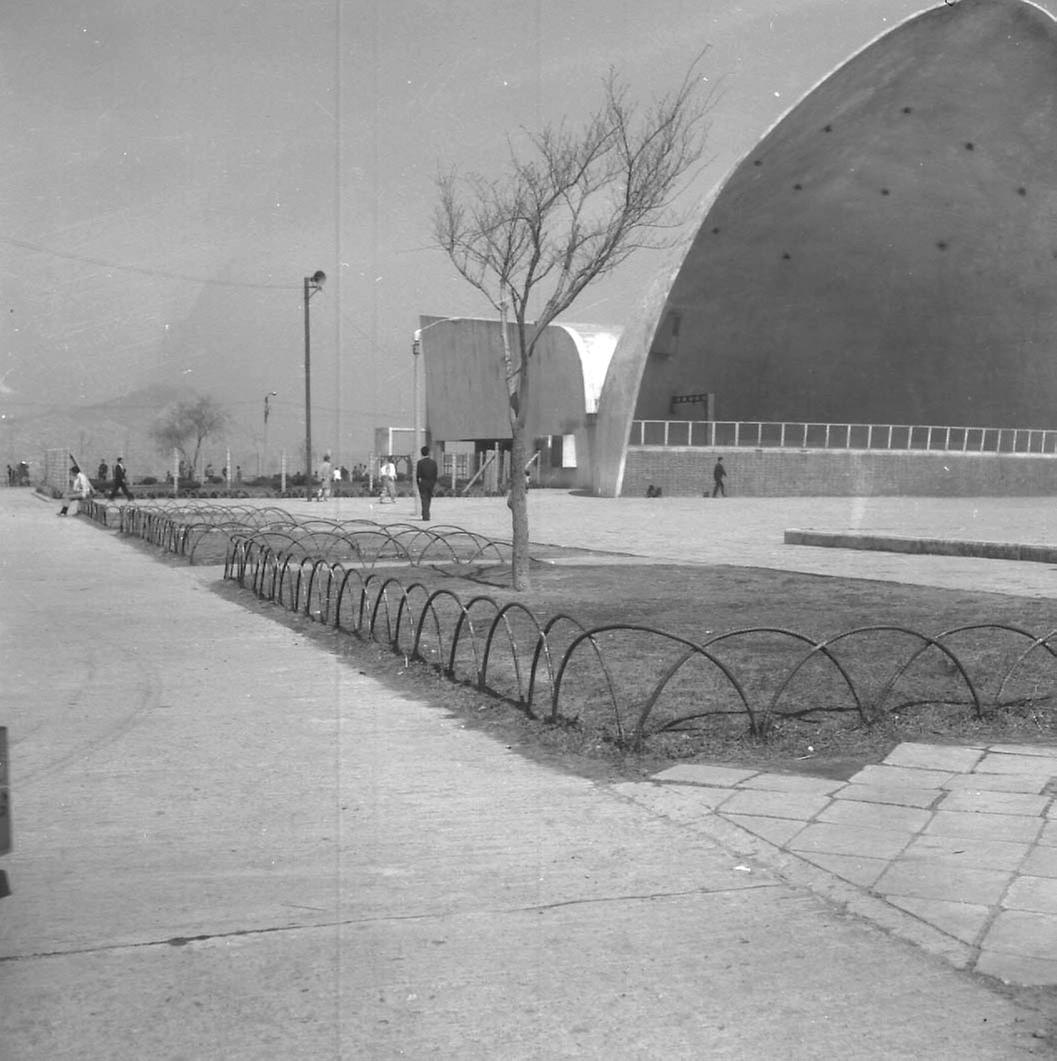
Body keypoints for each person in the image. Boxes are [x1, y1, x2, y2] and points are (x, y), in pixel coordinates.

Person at [415, 445, 438, 521]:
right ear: (428, 453)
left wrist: (418, 484)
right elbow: (435, 474)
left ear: (421, 453)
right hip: (431, 482)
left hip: (423, 482)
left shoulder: (420, 463)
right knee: (428, 498)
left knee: (424, 499)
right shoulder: (433, 463)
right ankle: (426, 513)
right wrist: (434, 483)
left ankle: (425, 515)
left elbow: (417, 475)